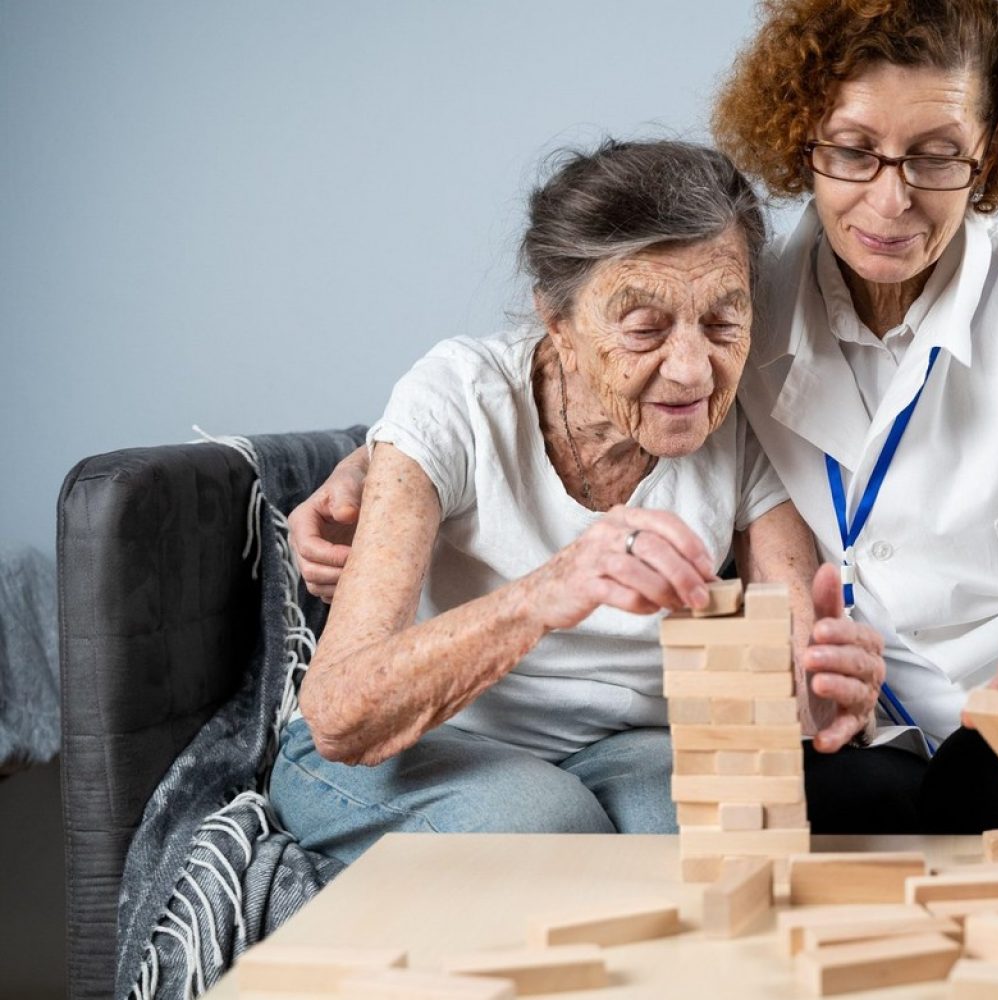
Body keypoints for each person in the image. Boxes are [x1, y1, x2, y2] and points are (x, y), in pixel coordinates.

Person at [294, 0, 998, 839]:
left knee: (919, 793)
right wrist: (379, 475)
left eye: (936, 156)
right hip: (878, 744)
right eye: (852, 149)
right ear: (802, 138)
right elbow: (519, 378)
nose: (890, 198)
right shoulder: (743, 300)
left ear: (987, 152)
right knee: (783, 810)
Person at [271, 140, 887, 864]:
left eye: (723, 321)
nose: (692, 371)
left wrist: (827, 694)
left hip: (627, 749)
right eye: (644, 328)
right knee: (548, 827)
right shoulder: (457, 400)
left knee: (717, 844)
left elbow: (795, 680)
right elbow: (343, 712)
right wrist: (544, 595)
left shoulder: (745, 418)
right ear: (557, 323)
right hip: (425, 743)